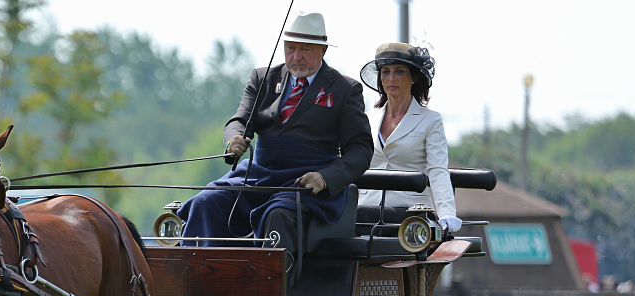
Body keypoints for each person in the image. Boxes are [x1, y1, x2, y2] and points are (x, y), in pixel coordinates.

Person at [178, 11, 373, 260]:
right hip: (259, 176)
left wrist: (325, 178)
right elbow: (240, 121)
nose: (296, 57)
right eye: (290, 48)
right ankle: (200, 280)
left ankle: (272, 293)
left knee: (277, 214)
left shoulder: (345, 89)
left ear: (323, 50)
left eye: (305, 49)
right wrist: (235, 138)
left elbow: (360, 149)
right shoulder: (263, 78)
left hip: (304, 184)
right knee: (206, 202)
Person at [357, 42, 461, 232]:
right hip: (364, 212)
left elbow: (438, 170)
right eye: (385, 72)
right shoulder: (367, 119)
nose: (391, 78)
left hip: (410, 215)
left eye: (399, 71)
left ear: (413, 76)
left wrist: (447, 212)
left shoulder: (430, 120)